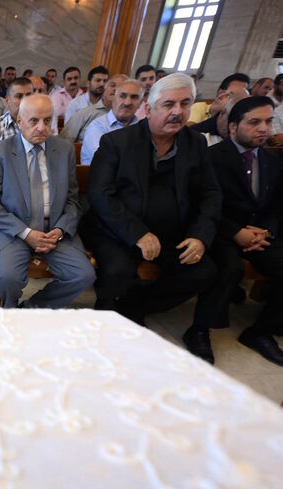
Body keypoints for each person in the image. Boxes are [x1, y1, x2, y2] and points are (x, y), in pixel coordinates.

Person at [86, 73, 220, 325]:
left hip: (172, 234)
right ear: (148, 109)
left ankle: (135, 306)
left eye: (185, 103)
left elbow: (210, 194)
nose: (178, 112)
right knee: (118, 272)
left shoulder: (196, 144)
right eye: (168, 104)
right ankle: (106, 316)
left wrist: (200, 235)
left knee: (203, 272)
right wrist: (138, 233)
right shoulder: (117, 142)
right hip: (118, 230)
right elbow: (100, 194)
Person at [183, 96, 283, 365]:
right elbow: (203, 204)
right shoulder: (212, 158)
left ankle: (260, 331)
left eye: (268, 122)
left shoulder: (272, 161)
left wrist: (265, 232)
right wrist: (236, 231)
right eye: (254, 122)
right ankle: (199, 329)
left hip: (259, 234)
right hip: (220, 229)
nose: (263, 128)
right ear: (233, 127)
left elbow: (275, 205)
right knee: (228, 266)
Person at [0, 94, 94, 308]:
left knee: (83, 275)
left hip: (53, 231)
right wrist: (27, 233)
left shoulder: (64, 150)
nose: (42, 128)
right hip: (12, 231)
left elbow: (73, 199)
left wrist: (59, 229)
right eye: (34, 121)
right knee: (8, 278)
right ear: (19, 122)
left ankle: (31, 310)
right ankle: (9, 308)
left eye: (48, 121)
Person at [80, 78, 142, 164]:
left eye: (134, 97)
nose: (127, 102)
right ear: (113, 99)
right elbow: (105, 162)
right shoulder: (97, 127)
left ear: (140, 103)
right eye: (123, 96)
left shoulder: (143, 128)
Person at [0, 77, 33, 168]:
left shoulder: (40, 128)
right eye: (19, 96)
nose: (24, 101)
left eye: (28, 96)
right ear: (7, 102)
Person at [61, 74, 125, 142]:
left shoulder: (132, 121)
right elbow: (63, 143)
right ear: (105, 89)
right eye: (112, 85)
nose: (115, 89)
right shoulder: (85, 114)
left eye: (121, 87)